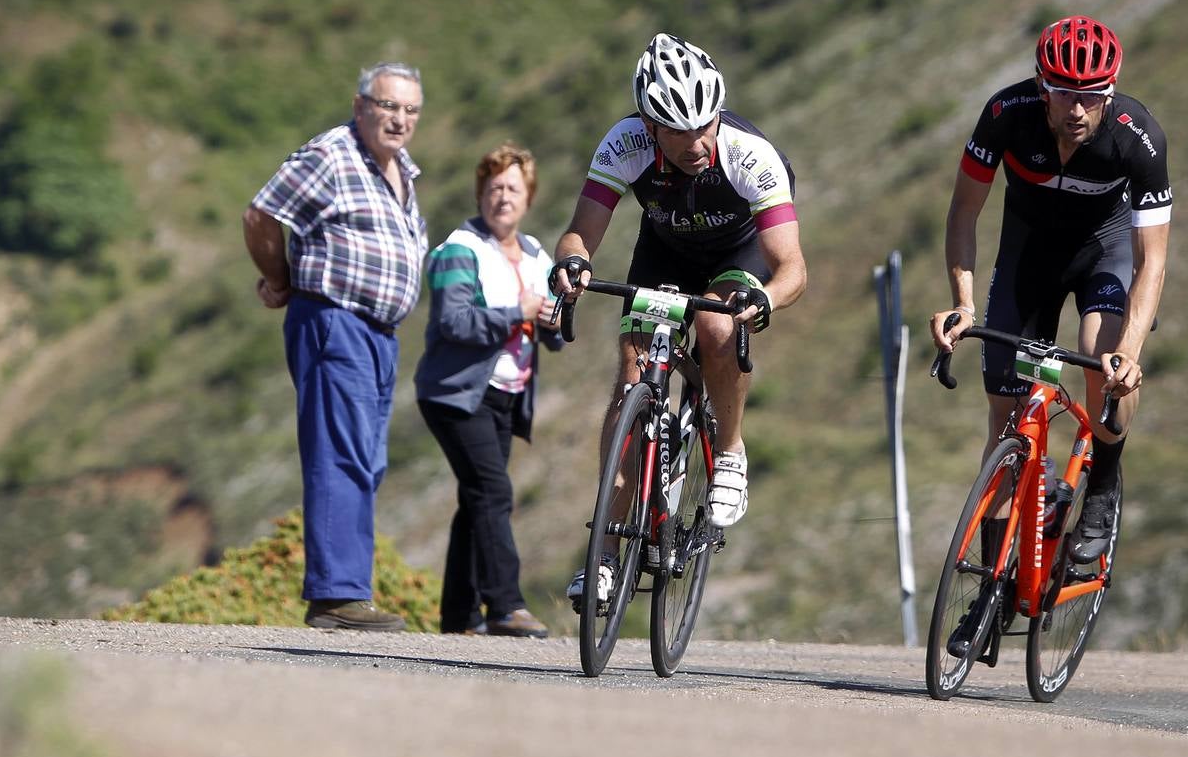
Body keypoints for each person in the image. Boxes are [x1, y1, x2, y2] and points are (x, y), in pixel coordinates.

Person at [549, 32, 807, 610]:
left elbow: (792, 267)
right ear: (649, 124)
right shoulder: (625, 143)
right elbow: (580, 231)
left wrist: (764, 298)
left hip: (737, 254)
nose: (694, 142)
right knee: (627, 388)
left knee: (717, 330)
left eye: (703, 126)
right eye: (675, 130)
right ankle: (607, 557)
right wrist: (572, 262)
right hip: (663, 251)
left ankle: (731, 450)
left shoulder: (750, 153)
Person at [930, 15, 1170, 614]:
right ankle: (987, 591)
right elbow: (963, 213)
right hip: (1027, 256)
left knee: (1100, 359)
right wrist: (962, 302)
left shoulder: (1138, 137)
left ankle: (1105, 477)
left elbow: (1152, 261)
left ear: (1109, 91)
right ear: (1042, 85)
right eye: (1064, 92)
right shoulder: (1005, 114)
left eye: (1091, 95)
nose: (1077, 108)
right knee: (1005, 422)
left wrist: (1130, 354)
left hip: (1104, 257)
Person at [242, 62, 429, 631]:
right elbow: (260, 214)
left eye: (410, 110)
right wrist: (279, 279)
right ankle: (336, 596)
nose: (399, 119)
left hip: (379, 333)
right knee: (340, 452)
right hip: (334, 320)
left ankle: (347, 589)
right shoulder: (331, 156)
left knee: (367, 459)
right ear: (360, 106)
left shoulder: (401, 172)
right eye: (388, 106)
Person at [413, 143, 562, 638]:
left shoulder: (539, 255)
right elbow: (453, 322)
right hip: (456, 395)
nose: (503, 196)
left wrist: (555, 317)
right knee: (493, 492)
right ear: (479, 194)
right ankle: (505, 605)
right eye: (494, 186)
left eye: (513, 188)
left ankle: (458, 616)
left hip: (505, 395)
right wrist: (515, 315)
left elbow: (555, 336)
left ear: (528, 197)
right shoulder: (460, 249)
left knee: (477, 498)